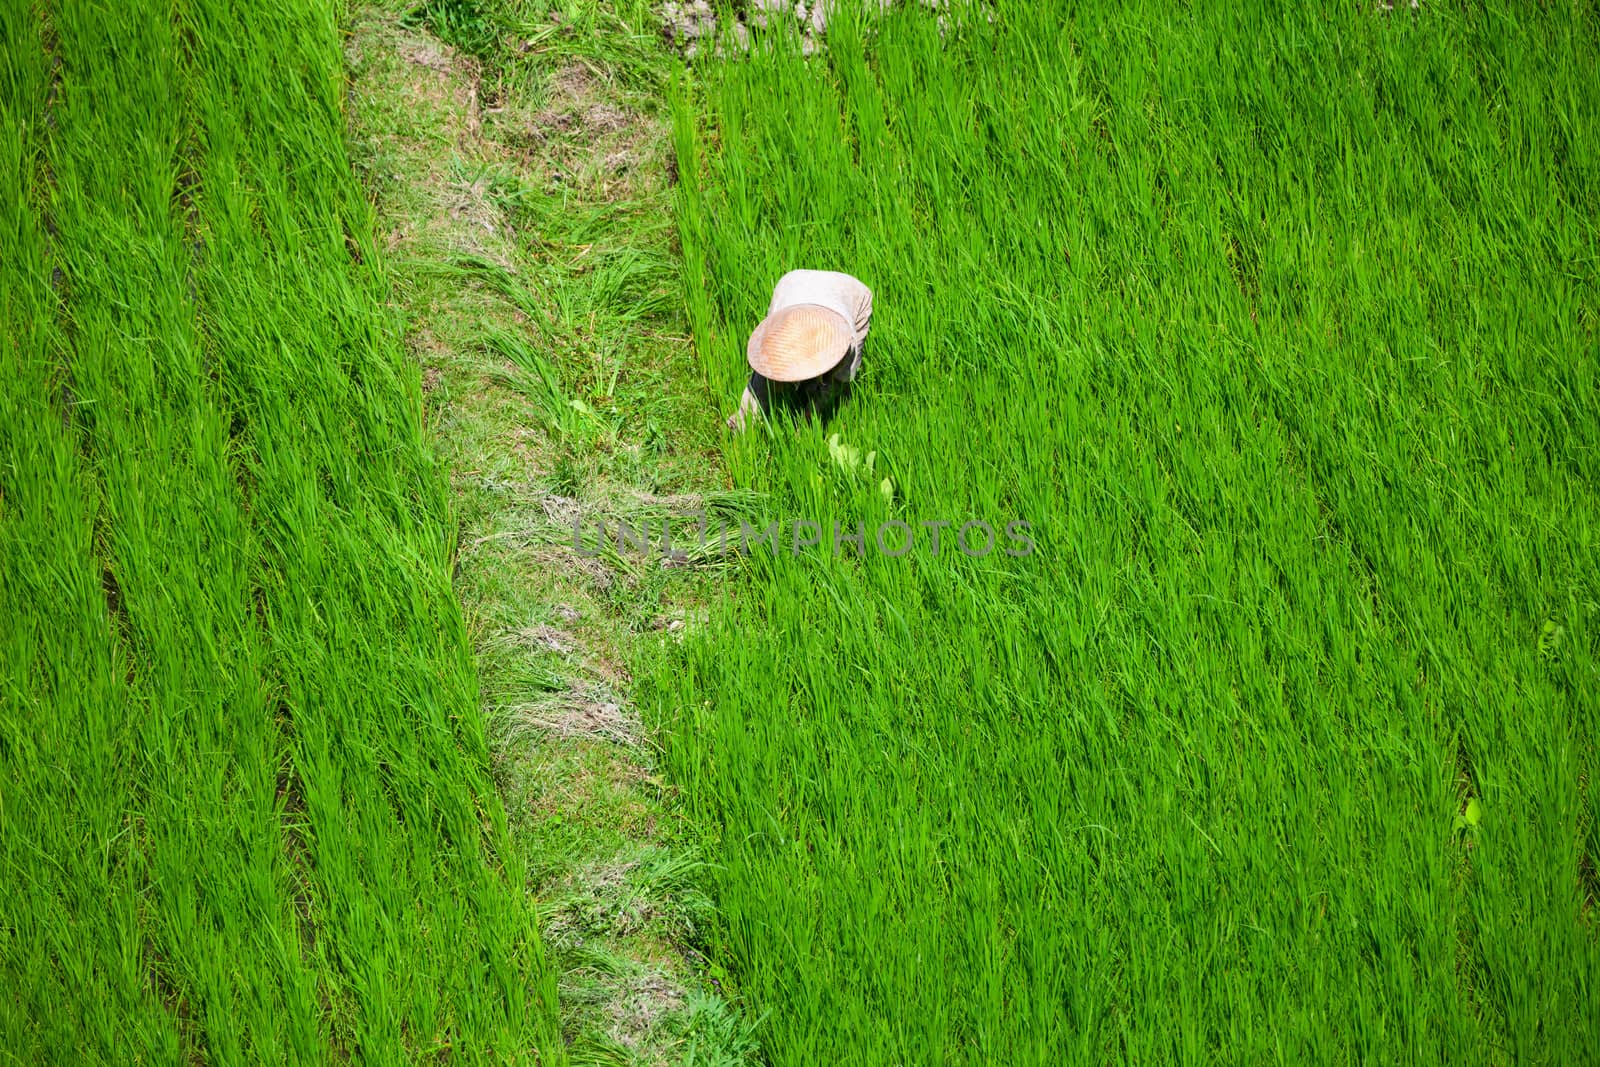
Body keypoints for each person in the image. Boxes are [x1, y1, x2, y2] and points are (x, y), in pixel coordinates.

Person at [726, 269, 873, 431]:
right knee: (769, 368)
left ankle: (813, 398)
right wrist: (745, 416)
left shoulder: (846, 341)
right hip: (792, 287)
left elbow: (836, 382)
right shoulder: (783, 309)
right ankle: (741, 423)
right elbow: (765, 372)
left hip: (849, 294)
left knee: (837, 379)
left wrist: (807, 420)